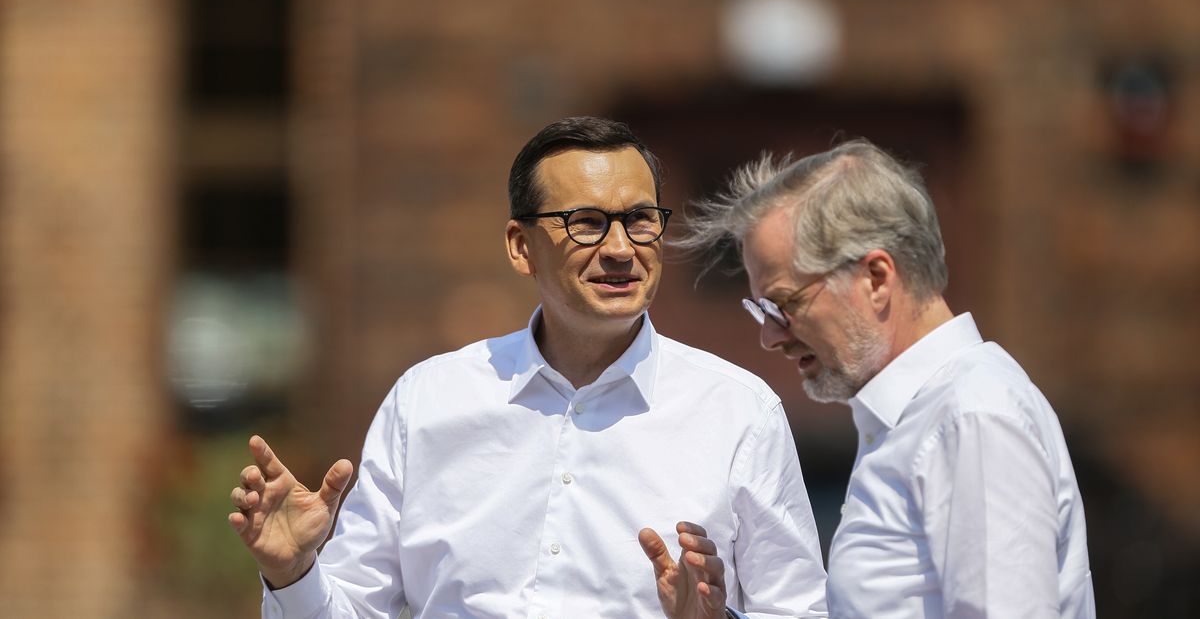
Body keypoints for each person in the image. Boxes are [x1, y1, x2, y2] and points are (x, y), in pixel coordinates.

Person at [228, 116, 828, 618]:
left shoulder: (737, 413)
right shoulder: (428, 402)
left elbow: (797, 609)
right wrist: (293, 574)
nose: (621, 249)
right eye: (587, 223)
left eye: (641, 219)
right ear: (520, 246)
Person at [672, 140, 1096, 617]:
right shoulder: (923, 416)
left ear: (876, 277)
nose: (770, 336)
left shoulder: (971, 416)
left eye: (784, 304)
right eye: (761, 311)